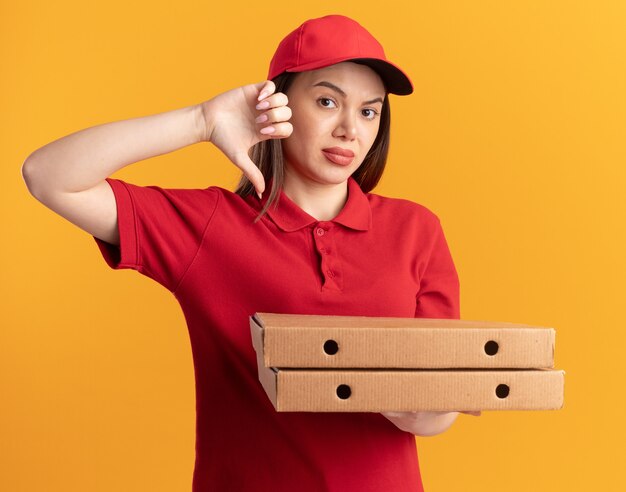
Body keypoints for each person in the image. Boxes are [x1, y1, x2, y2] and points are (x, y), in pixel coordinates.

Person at [22, 13, 479, 492]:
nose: (350, 129)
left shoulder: (416, 230)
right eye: (327, 101)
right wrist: (200, 121)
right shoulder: (212, 226)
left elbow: (436, 411)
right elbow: (48, 176)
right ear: (275, 104)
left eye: (369, 111)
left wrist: (420, 406)